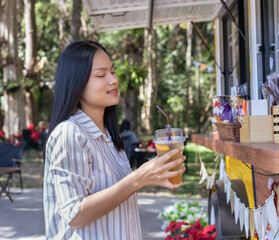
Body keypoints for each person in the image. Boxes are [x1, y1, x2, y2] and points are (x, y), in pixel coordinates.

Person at [43, 40, 186, 240]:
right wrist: (138, 179)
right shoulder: (69, 133)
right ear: (77, 83)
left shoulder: (109, 137)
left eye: (113, 71)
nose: (113, 80)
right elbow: (74, 215)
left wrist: (154, 174)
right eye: (101, 75)